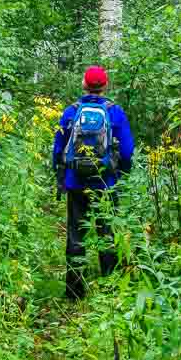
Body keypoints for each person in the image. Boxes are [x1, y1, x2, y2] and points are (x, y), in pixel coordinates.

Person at [52, 66, 135, 300]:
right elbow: (127, 151)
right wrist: (121, 174)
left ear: (84, 85)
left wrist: (60, 175)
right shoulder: (115, 112)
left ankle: (74, 292)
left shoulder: (71, 112)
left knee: (76, 235)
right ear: (105, 86)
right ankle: (109, 289)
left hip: (75, 182)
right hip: (105, 182)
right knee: (107, 234)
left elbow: (58, 149)